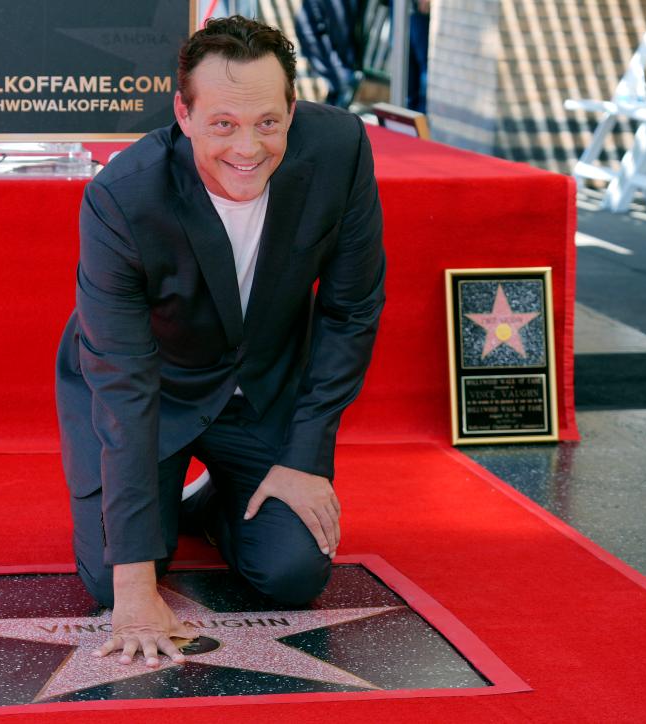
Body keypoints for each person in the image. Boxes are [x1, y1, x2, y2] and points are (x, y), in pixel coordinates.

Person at [55, 15, 386, 669]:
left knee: (293, 574)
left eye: (268, 121)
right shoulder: (123, 198)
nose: (249, 147)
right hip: (152, 389)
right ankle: (168, 499)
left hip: (262, 388)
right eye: (223, 124)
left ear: (293, 106)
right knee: (106, 579)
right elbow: (122, 385)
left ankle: (209, 502)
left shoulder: (340, 148)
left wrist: (306, 456)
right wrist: (133, 588)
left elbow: (350, 311)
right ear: (184, 112)